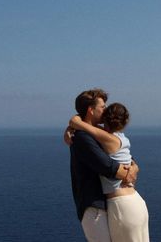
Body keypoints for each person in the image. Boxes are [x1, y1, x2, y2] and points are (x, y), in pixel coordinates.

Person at [64, 89, 139, 242]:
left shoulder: (95, 133)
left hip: (104, 204)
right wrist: (129, 173)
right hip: (93, 206)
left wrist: (133, 166)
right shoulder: (82, 138)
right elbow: (107, 166)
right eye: (102, 107)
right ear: (91, 110)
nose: (106, 110)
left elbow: (122, 155)